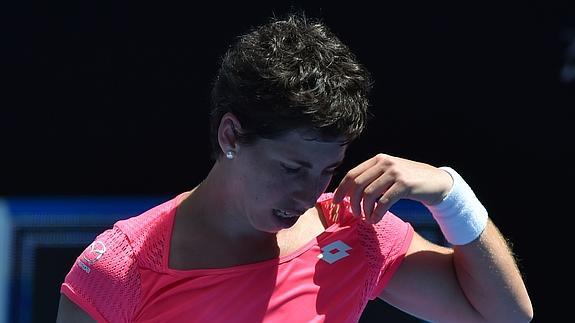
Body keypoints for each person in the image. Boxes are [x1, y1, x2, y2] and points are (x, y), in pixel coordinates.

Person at [56, 12, 533, 323]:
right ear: (230, 137)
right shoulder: (119, 271)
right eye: (291, 168)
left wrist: (451, 193)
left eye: (326, 170)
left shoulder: (353, 231)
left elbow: (507, 317)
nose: (309, 194)